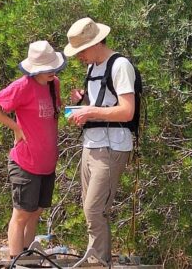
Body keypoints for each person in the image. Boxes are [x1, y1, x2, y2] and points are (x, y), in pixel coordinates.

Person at [0, 40, 66, 258]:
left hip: (46, 162)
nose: (52, 71)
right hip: (25, 162)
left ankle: (28, 257)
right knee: (21, 213)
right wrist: (16, 127)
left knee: (36, 211)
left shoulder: (53, 84)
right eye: (46, 68)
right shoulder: (23, 86)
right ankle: (16, 259)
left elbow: (53, 113)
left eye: (53, 67)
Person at [64, 17, 136, 263]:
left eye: (81, 51)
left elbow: (127, 111)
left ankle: (97, 263)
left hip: (112, 146)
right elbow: (100, 104)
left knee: (94, 210)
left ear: (96, 43)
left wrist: (90, 111)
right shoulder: (92, 67)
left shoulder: (120, 65)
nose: (79, 57)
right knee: (90, 209)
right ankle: (97, 260)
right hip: (91, 145)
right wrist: (82, 103)